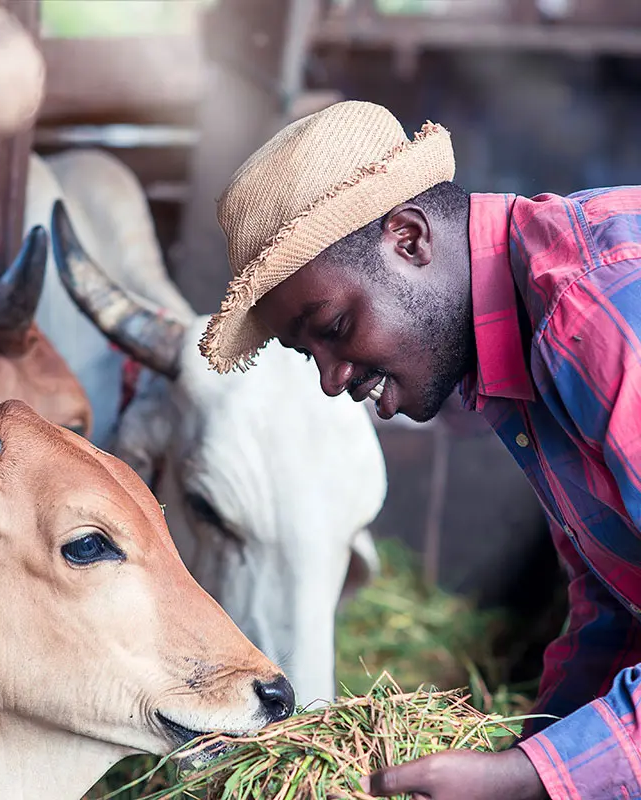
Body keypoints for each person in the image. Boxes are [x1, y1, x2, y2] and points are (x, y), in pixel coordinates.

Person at [199, 100, 641, 800]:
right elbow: (620, 598)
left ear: (408, 239)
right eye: (306, 353)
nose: (333, 377)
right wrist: (534, 752)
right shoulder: (515, 349)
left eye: (335, 327)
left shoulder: (592, 308)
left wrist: (527, 777)